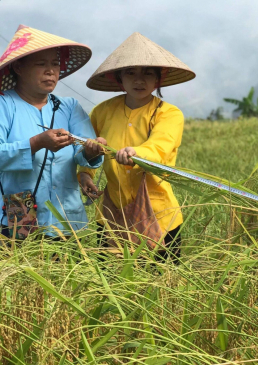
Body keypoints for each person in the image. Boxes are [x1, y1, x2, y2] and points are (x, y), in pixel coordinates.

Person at [78, 32, 195, 262]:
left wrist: (137, 153)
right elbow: (90, 148)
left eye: (147, 73)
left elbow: (160, 147)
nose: (139, 80)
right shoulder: (102, 112)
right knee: (111, 283)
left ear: (157, 80)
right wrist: (85, 174)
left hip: (159, 214)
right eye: (130, 73)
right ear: (119, 78)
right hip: (111, 214)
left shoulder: (169, 114)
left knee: (160, 284)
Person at [0, 25, 103, 239]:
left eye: (55, 64)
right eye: (41, 64)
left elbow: (82, 150)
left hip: (67, 221)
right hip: (17, 220)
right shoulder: (4, 105)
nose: (51, 71)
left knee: (69, 272)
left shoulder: (69, 106)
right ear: (18, 67)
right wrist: (36, 142)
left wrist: (92, 152)